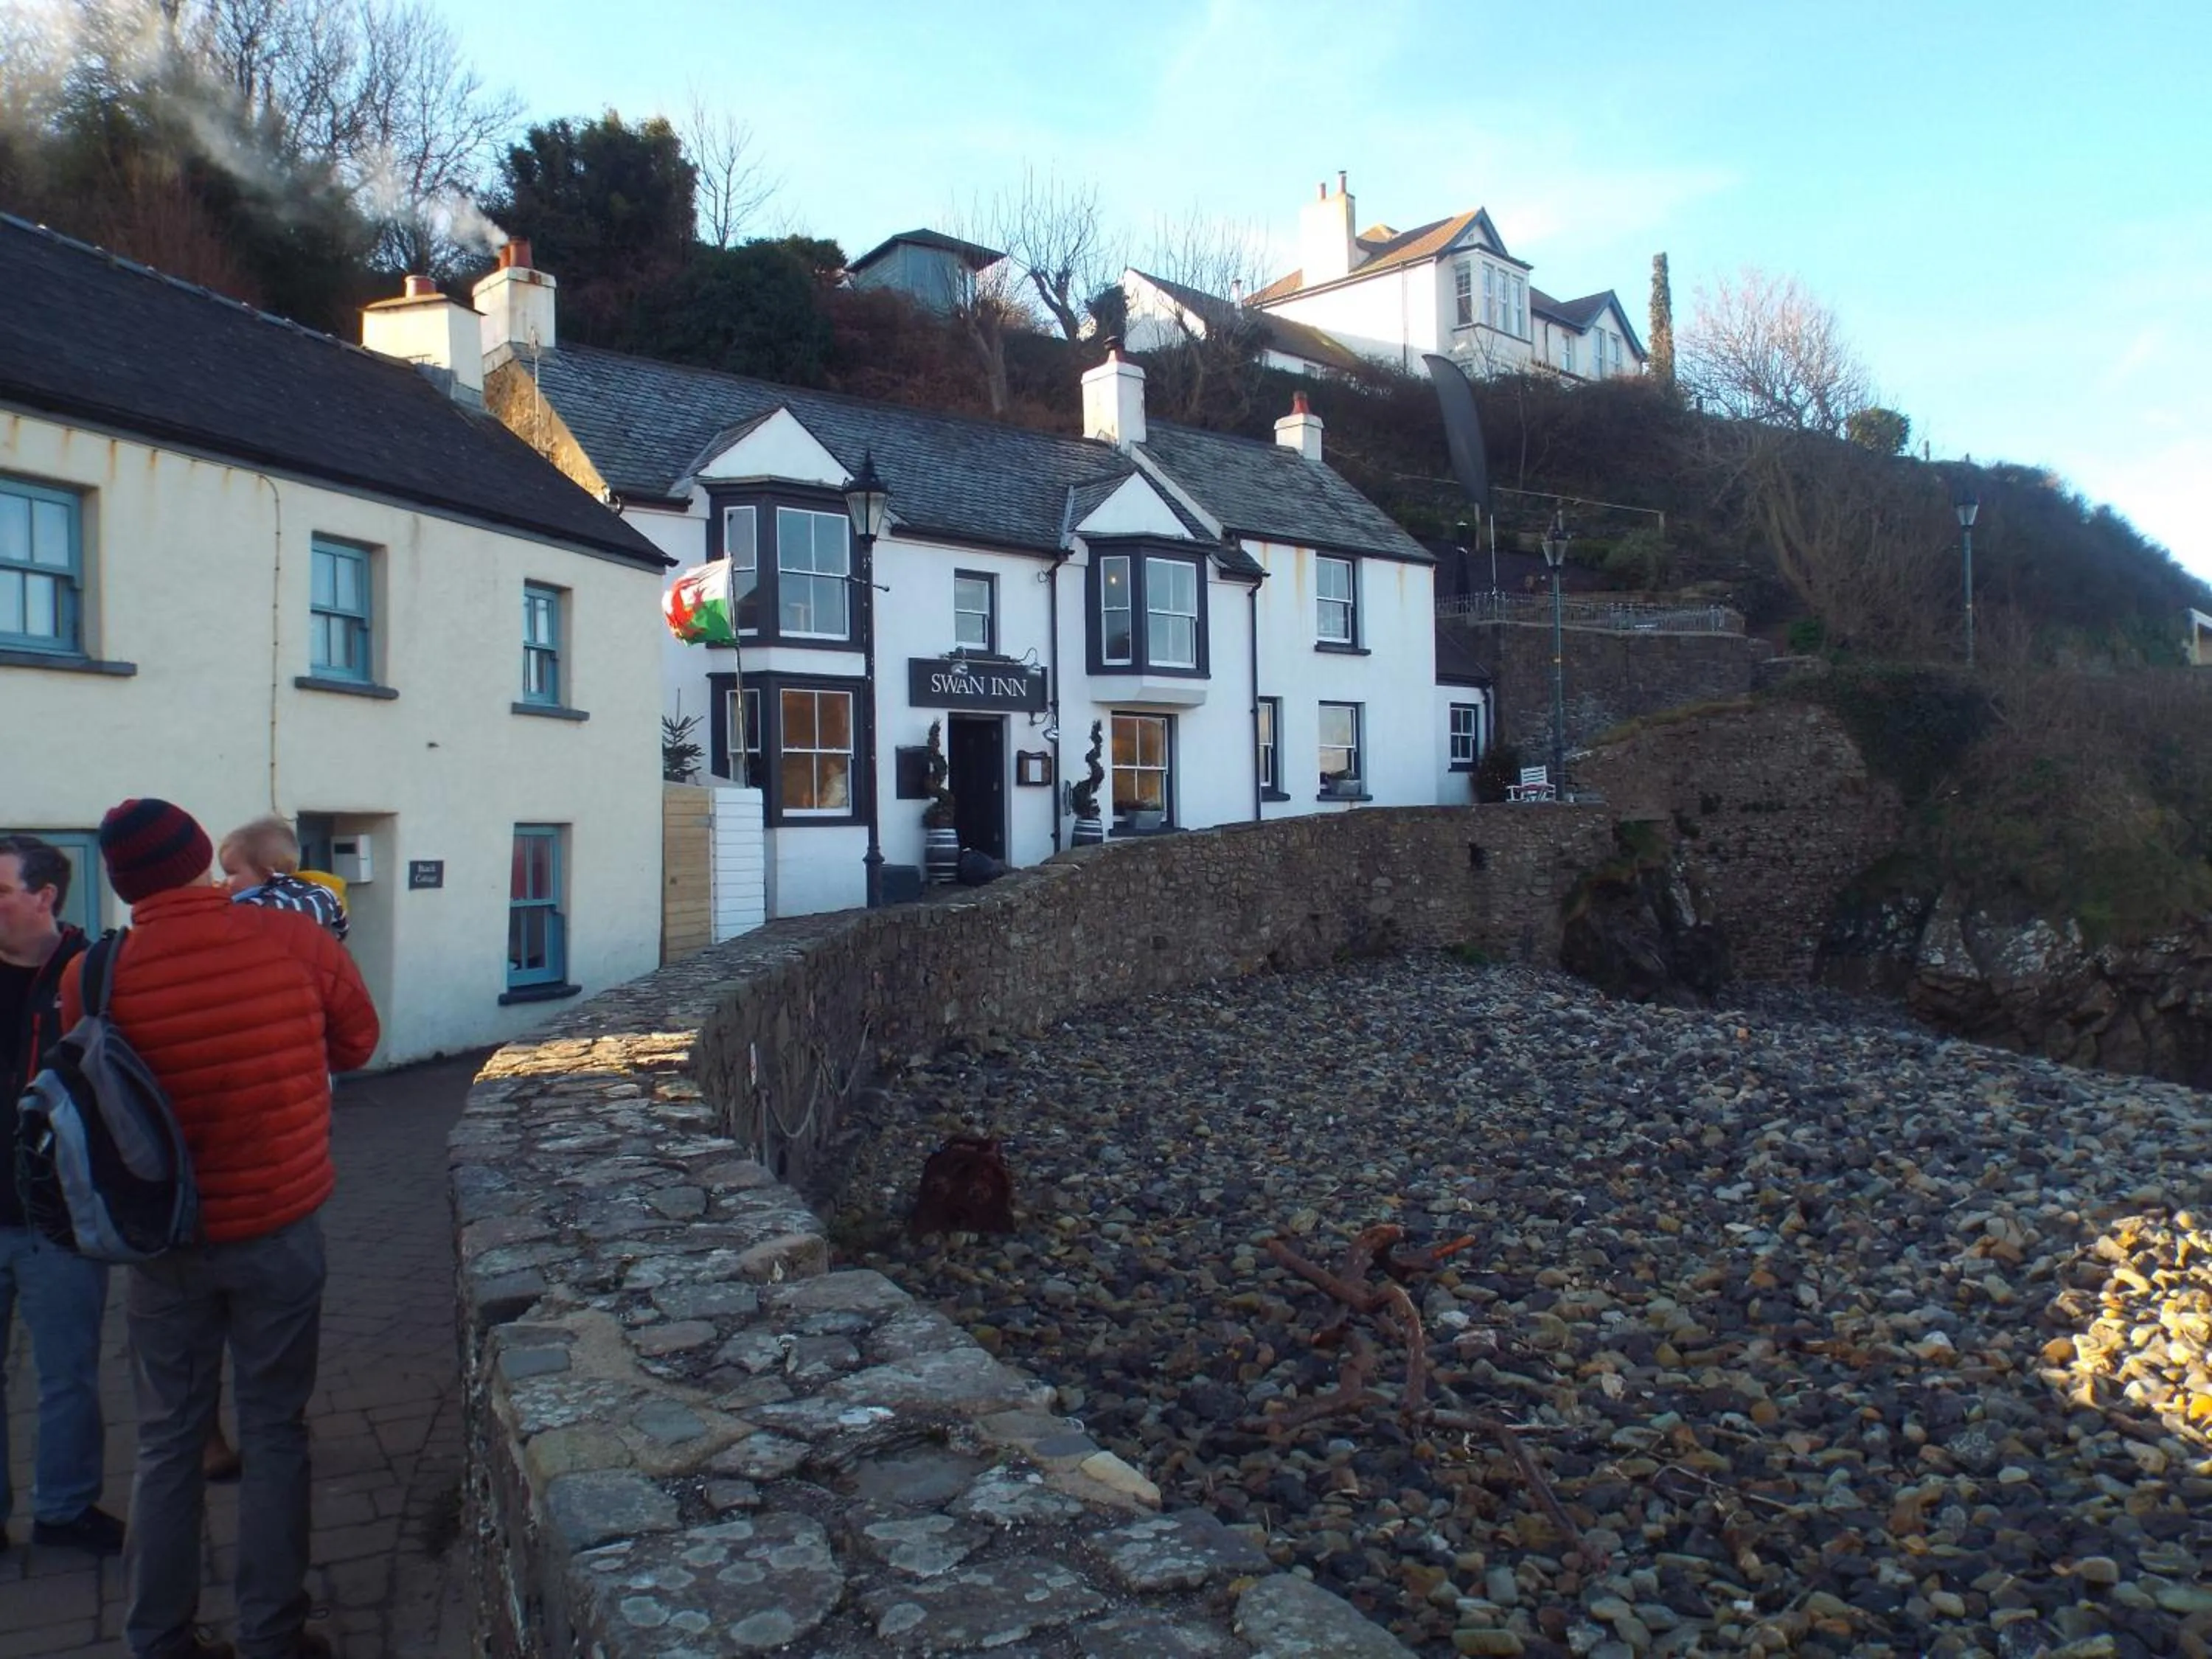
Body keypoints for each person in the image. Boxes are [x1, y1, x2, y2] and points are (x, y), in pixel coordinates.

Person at [66, 800, 379, 1659]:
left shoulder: (92, 974)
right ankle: (274, 1633)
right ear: (203, 859)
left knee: (168, 1442)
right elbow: (356, 1046)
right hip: (278, 1226)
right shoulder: (297, 942)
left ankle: (158, 1637)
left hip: (160, 1243)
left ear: (122, 882)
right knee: (276, 1430)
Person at [0, 835, 125, 1558]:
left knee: (67, 1377)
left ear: (44, 896)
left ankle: (64, 1510)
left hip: (57, 1219)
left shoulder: (93, 973)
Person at [218, 817, 349, 942]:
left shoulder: (308, 893)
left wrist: (238, 912)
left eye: (231, 873)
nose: (224, 881)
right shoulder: (252, 901)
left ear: (267, 874)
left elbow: (312, 916)